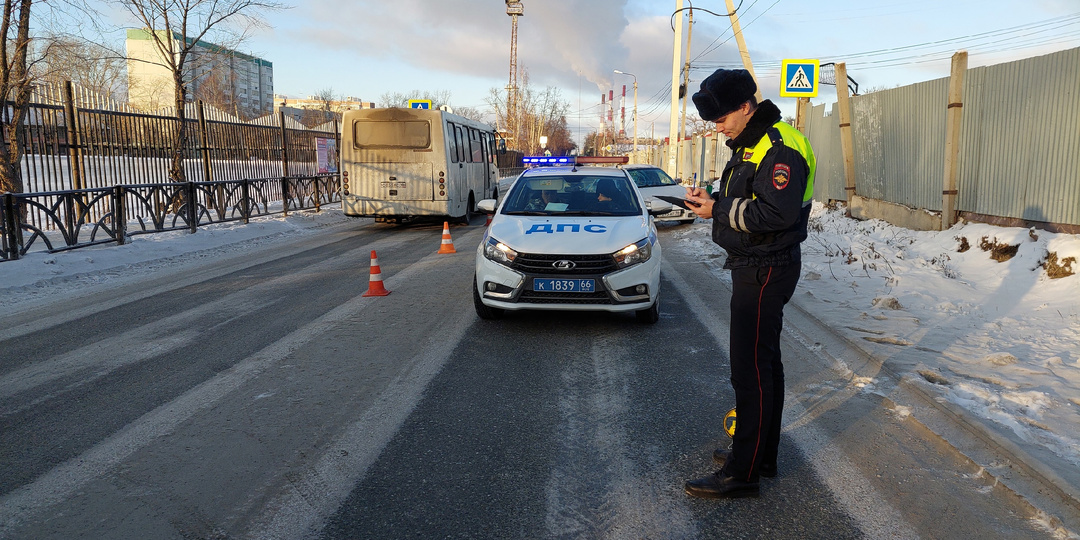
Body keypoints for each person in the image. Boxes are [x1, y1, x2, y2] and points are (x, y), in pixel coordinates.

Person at [681, 68, 816, 499]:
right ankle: (761, 455)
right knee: (765, 365)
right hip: (757, 263)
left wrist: (717, 211)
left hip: (765, 267)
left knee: (750, 371)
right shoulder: (752, 143)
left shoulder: (777, 148)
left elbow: (777, 214)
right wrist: (716, 202)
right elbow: (751, 200)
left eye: (721, 119)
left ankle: (742, 472)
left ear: (745, 106)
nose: (717, 127)